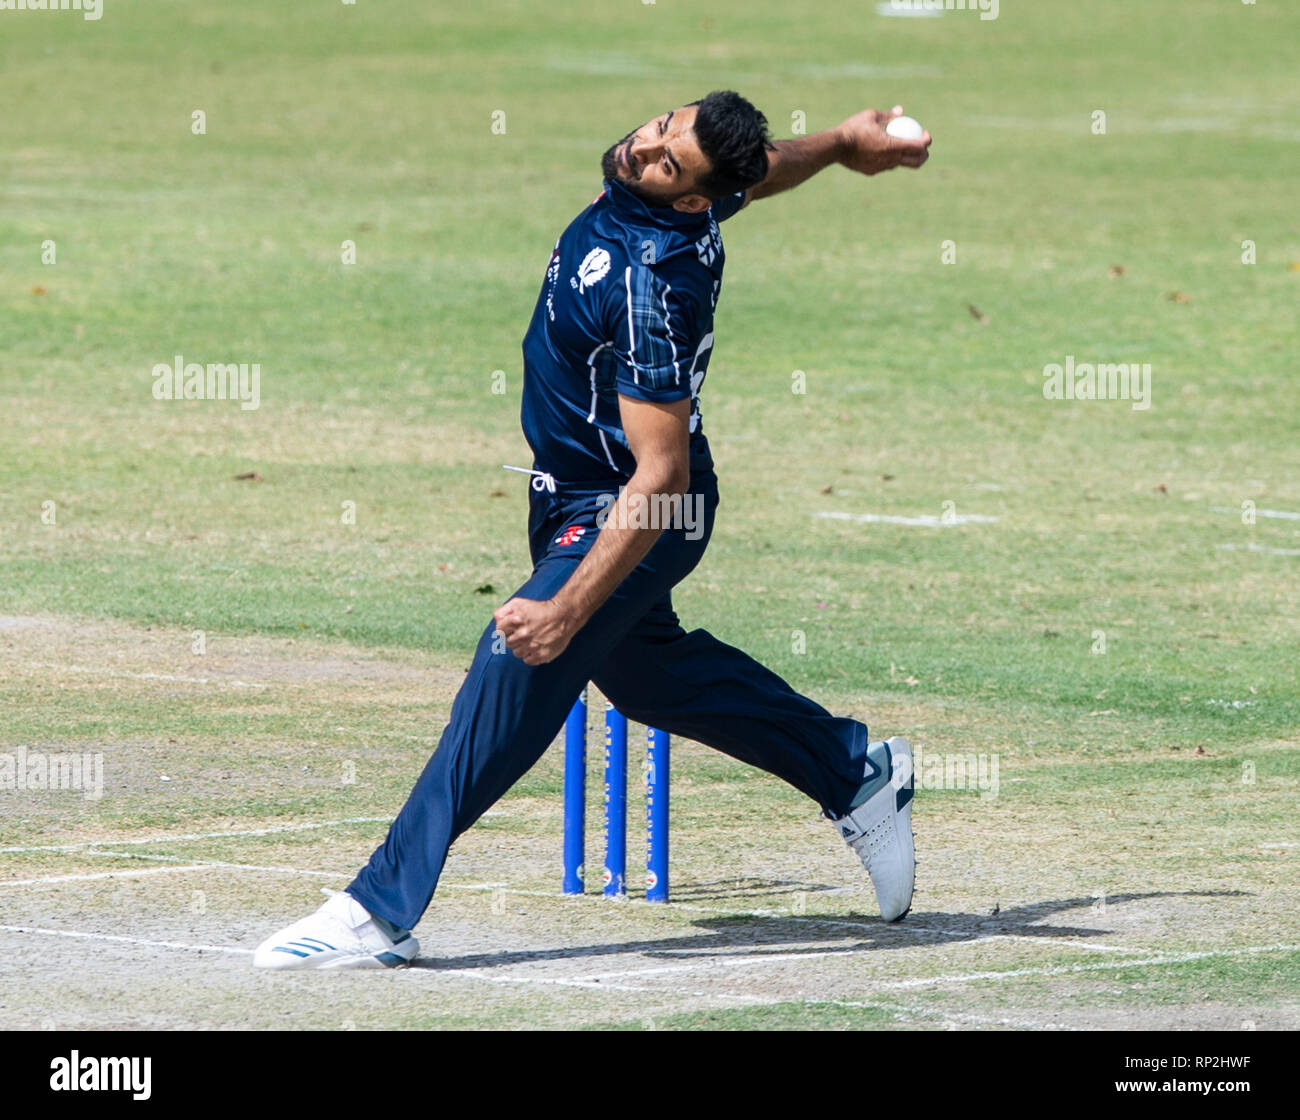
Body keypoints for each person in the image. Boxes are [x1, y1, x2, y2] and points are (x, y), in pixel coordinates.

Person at [254, 90, 932, 969]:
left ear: (687, 198)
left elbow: (662, 474)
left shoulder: (653, 284)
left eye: (666, 161)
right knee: (651, 680)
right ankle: (854, 773)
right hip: (575, 497)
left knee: (513, 668)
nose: (643, 148)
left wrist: (569, 607)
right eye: (659, 129)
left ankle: (376, 910)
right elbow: (761, 172)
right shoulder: (675, 183)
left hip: (629, 511)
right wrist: (843, 142)